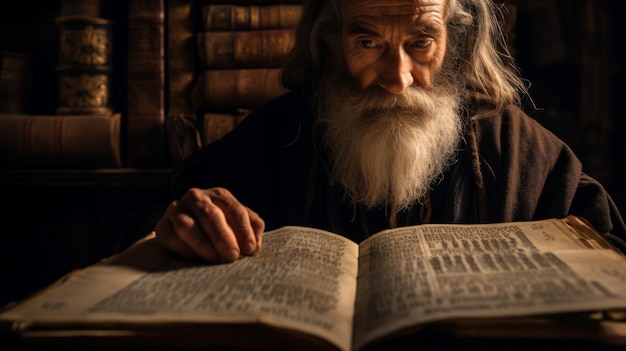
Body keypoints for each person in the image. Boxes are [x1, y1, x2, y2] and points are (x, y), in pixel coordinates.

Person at [123, 0, 626, 262]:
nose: (397, 79)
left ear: (456, 38)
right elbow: (152, 222)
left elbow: (607, 256)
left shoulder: (519, 150)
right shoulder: (280, 133)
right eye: (367, 41)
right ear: (329, 38)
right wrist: (178, 227)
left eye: (421, 41)